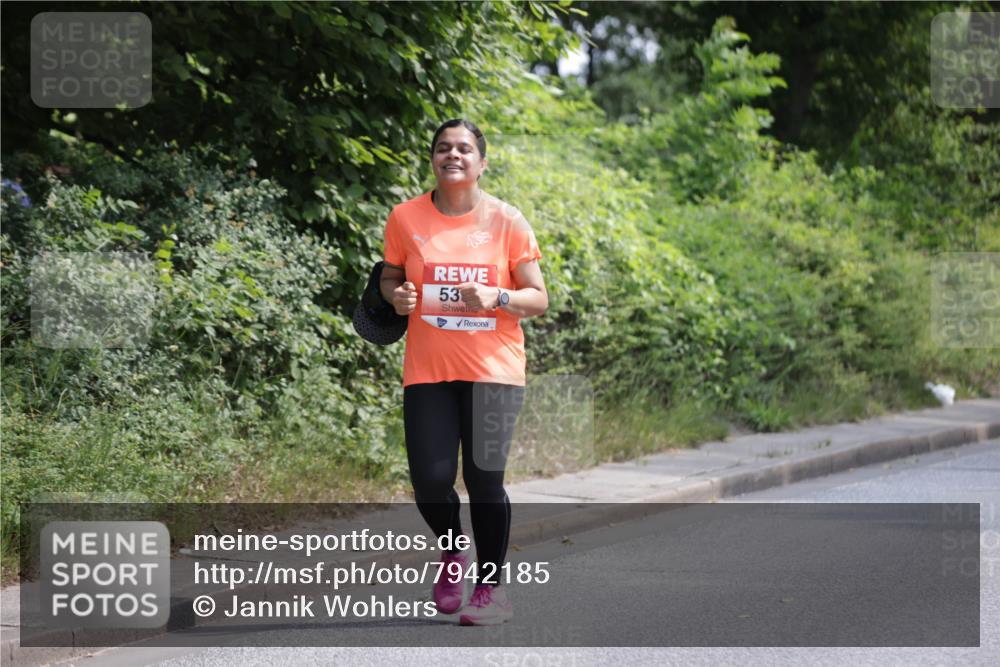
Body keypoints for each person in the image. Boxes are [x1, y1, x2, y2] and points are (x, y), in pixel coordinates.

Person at [379, 119, 548, 626]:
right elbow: (390, 275)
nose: (453, 155)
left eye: (464, 148)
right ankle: (453, 552)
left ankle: (491, 590)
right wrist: (397, 294)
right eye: (443, 148)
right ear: (432, 158)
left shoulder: (506, 220)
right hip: (428, 370)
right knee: (430, 481)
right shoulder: (405, 217)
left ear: (481, 161)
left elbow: (538, 298)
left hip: (493, 370)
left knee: (484, 480)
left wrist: (497, 296)